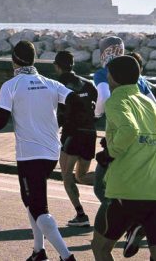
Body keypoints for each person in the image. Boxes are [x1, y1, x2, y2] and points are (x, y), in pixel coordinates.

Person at [0, 40, 78, 261]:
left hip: (29, 155)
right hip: (52, 152)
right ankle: (38, 250)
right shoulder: (50, 83)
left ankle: (66, 256)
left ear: (14, 59)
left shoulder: (11, 85)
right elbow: (77, 100)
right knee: (33, 201)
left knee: (38, 206)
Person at [90, 53, 156, 261]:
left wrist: (108, 153)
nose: (107, 80)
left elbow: (129, 131)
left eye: (109, 75)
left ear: (115, 77)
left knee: (100, 248)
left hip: (126, 191)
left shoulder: (116, 100)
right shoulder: (150, 104)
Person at [53, 49, 98, 228]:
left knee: (67, 176)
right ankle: (110, 182)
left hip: (72, 134)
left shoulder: (56, 85)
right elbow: (94, 109)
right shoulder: (89, 85)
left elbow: (58, 114)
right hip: (90, 134)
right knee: (82, 176)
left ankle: (81, 214)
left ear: (57, 67)